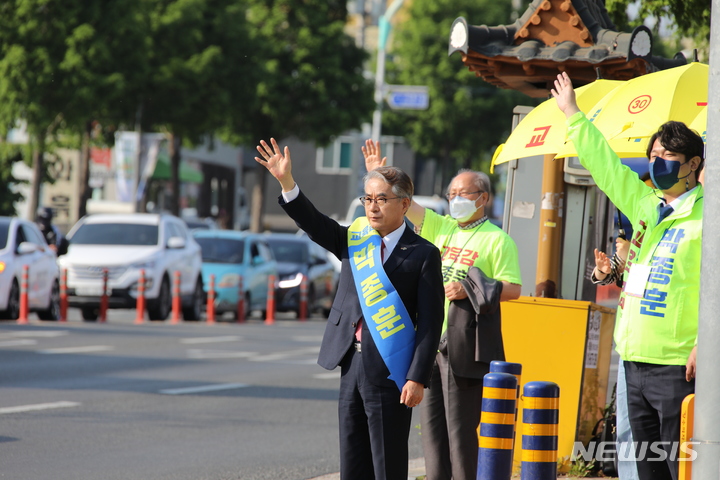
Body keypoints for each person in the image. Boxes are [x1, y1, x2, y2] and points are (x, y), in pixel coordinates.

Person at [255, 137, 445, 480]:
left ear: (404, 205)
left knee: (387, 463)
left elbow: (431, 322)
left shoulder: (423, 253)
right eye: (368, 199)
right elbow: (314, 223)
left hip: (392, 367)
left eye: (381, 200)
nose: (372, 207)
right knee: (352, 462)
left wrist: (417, 377)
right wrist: (287, 183)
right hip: (351, 361)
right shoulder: (355, 241)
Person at [553, 71, 703, 480]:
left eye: (668, 157)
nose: (657, 163)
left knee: (682, 468)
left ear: (693, 164)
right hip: (633, 360)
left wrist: (706, 345)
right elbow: (604, 166)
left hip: (678, 365)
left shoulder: (708, 216)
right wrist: (572, 114)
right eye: (653, 154)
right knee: (645, 468)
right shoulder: (643, 203)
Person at [363, 140, 522, 480]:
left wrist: (468, 288)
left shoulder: (497, 240)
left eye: (463, 194)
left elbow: (514, 289)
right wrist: (377, 175)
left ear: (483, 198)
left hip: (465, 347)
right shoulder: (443, 228)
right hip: (431, 345)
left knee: (460, 433)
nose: (455, 200)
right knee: (432, 433)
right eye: (451, 194)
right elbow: (406, 206)